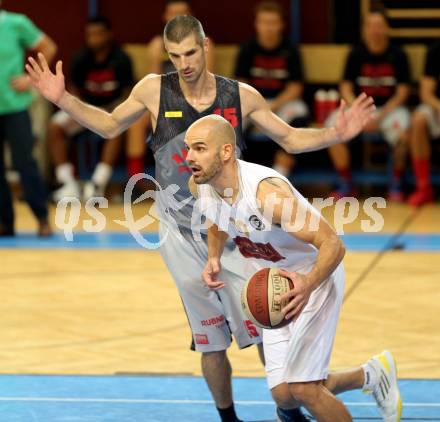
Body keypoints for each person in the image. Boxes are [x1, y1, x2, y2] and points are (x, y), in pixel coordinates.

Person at [26, 15, 375, 422]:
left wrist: (335, 133)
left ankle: (290, 406)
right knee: (210, 341)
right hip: (180, 232)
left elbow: (291, 138)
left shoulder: (239, 95)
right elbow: (107, 126)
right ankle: (230, 416)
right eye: (175, 55)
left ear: (205, 45)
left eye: (190, 52)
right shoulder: (154, 89)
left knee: (268, 314)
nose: (184, 63)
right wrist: (63, 99)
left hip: (232, 225)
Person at [187, 114, 401, 422]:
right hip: (275, 283)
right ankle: (370, 375)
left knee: (304, 389)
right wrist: (213, 257)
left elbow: (333, 244)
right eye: (188, 148)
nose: (189, 157)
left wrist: (308, 283)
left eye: (199, 148)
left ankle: (359, 380)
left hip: (314, 275)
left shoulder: (268, 197)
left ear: (225, 152)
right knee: (284, 395)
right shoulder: (201, 185)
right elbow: (216, 218)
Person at [126, 0, 216, 181]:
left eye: (181, 13)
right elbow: (154, 83)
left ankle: (193, 178)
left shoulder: (204, 43)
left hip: (196, 101)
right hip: (166, 101)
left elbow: (208, 81)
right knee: (136, 119)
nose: (177, 18)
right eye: (173, 13)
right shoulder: (157, 44)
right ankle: (136, 179)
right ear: (165, 17)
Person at [326, 10, 411, 201]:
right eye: (371, 26)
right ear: (364, 29)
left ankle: (396, 183)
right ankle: (345, 182)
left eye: (379, 26)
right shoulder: (355, 54)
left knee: (405, 132)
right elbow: (346, 88)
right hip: (360, 108)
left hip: (389, 109)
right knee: (332, 125)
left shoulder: (398, 55)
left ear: (387, 29)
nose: (375, 30)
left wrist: (380, 116)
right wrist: (360, 110)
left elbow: (402, 92)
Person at [48, 16, 134, 201]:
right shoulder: (80, 58)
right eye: (90, 34)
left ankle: (97, 184)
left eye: (98, 34)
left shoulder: (121, 59)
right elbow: (73, 92)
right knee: (55, 126)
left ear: (108, 35)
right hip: (84, 111)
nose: (94, 38)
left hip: (112, 112)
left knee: (117, 125)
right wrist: (83, 112)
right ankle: (68, 184)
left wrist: (111, 112)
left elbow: (129, 95)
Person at [0, 1, 57, 237]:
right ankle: (5, 222)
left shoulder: (15, 23)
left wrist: (30, 79)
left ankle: (42, 217)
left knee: (25, 163)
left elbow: (49, 47)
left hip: (14, 107)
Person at [235, 1, 308, 176]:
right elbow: (240, 86)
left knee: (300, 114)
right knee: (231, 120)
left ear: (281, 25)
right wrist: (257, 108)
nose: (268, 27)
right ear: (257, 24)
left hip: (281, 104)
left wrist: (271, 108)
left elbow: (295, 88)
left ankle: (280, 174)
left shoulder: (290, 49)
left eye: (273, 22)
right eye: (264, 22)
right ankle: (235, 176)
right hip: (253, 104)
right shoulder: (247, 49)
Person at [407, 41, 440, 206]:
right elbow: (426, 94)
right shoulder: (435, 51)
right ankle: (423, 187)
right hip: (437, 107)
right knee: (418, 120)